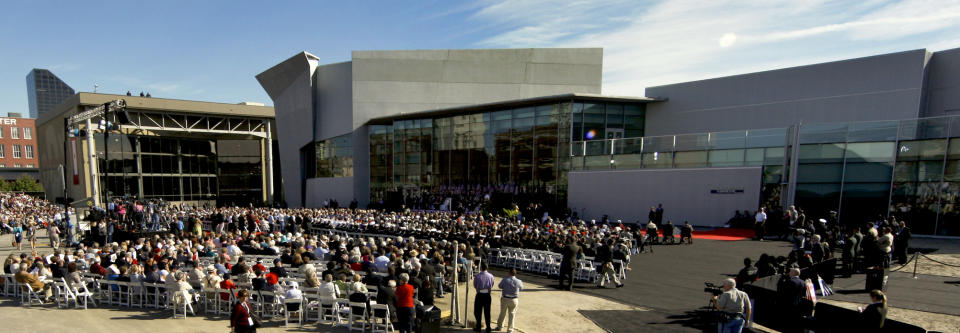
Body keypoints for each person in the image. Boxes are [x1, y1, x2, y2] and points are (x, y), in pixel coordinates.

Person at [776, 268, 806, 332]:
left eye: (790, 272)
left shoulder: (789, 282)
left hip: (788, 305)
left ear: (793, 273)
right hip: (798, 305)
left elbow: (781, 290)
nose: (789, 273)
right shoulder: (803, 282)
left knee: (787, 322)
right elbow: (803, 294)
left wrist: (781, 279)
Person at [495, 268, 523, 333]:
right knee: (512, 314)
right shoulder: (519, 281)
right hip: (514, 299)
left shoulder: (505, 280)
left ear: (509, 273)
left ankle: (499, 326)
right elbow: (521, 288)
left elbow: (499, 286)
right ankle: (510, 330)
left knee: (502, 313)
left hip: (505, 298)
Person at [473, 263, 494, 333]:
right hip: (487, 294)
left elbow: (475, 285)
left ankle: (478, 327)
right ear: (487, 268)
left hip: (480, 294)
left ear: (481, 268)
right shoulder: (491, 276)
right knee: (487, 312)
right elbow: (492, 284)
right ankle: (488, 327)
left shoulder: (478, 276)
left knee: (477, 312)